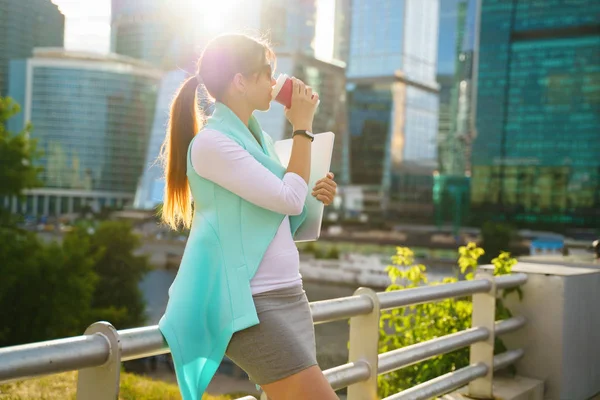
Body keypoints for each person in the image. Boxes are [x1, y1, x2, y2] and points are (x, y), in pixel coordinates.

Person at [158, 33, 339, 400]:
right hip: (249, 305)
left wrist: (315, 197)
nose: (274, 82)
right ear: (240, 81)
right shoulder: (212, 144)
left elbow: (287, 217)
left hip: (290, 294)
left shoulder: (261, 144)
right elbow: (288, 198)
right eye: (266, 73)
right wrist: (302, 127)